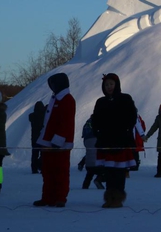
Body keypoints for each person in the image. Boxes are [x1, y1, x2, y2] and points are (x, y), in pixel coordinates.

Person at [92, 73, 138, 209]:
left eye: (111, 84)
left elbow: (132, 117)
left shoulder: (125, 99)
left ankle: (117, 199)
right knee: (109, 171)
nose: (109, 87)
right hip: (105, 141)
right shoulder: (100, 102)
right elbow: (95, 119)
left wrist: (125, 131)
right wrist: (97, 132)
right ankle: (109, 198)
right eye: (106, 85)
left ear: (116, 85)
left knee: (119, 172)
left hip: (121, 141)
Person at [33, 73, 76, 208]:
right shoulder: (55, 98)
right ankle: (47, 197)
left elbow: (66, 122)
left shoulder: (68, 99)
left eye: (53, 84)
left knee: (61, 171)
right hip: (48, 141)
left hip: (60, 144)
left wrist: (58, 140)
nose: (52, 87)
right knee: (47, 171)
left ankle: (60, 197)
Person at [78, 115, 104, 190]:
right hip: (99, 166)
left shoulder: (87, 124)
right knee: (109, 170)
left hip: (88, 165)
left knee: (90, 154)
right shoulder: (100, 124)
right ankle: (98, 179)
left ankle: (85, 186)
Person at [28, 100, 46, 174]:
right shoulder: (43, 116)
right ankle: (42, 167)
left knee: (34, 154)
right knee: (43, 154)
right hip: (42, 138)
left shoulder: (32, 116)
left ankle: (34, 168)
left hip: (34, 138)